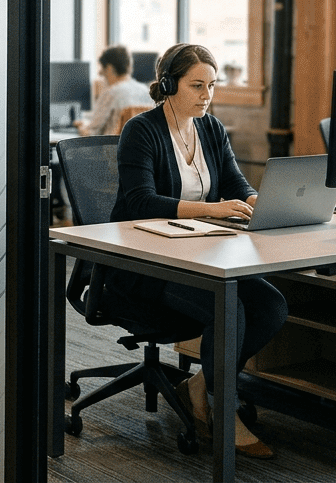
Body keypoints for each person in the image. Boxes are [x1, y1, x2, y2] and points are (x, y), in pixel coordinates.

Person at [110, 43, 286, 459]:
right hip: (145, 263)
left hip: (202, 253)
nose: (207, 95)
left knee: (271, 306)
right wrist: (210, 209)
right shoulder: (142, 131)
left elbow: (235, 183)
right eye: (196, 85)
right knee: (231, 311)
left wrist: (258, 200)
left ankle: (198, 387)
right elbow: (140, 202)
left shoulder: (211, 129)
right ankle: (222, 413)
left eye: (212, 85)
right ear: (168, 85)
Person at [76, 44, 153, 136]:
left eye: (102, 68)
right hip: (140, 149)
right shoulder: (146, 91)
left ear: (109, 68)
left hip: (111, 149)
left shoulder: (111, 93)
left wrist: (81, 127)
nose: (100, 73)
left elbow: (91, 132)